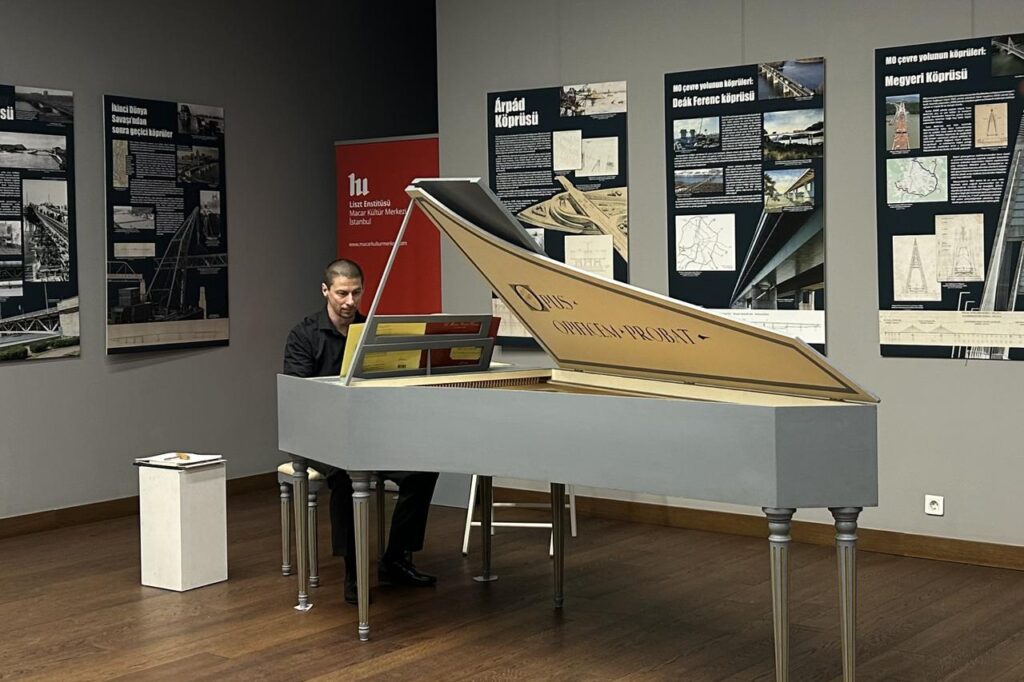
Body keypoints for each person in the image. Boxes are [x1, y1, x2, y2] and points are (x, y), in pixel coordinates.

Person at [283, 258, 439, 604]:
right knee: (345, 474)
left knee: (422, 469)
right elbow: (299, 398)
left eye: (355, 293)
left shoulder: (372, 333)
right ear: (326, 291)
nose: (349, 301)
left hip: (369, 434)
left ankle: (395, 559)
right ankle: (354, 573)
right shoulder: (304, 335)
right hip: (319, 438)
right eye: (341, 293)